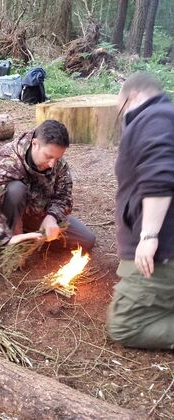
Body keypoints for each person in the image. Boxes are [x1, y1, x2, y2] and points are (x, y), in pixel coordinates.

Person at [106, 73, 174, 350]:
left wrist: (148, 236)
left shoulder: (153, 118)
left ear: (132, 97)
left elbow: (159, 175)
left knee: (125, 325)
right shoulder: (165, 117)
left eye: (120, 108)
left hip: (165, 250)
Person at [0, 119, 95, 250]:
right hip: (11, 215)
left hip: (39, 213)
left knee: (86, 241)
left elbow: (64, 196)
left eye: (57, 158)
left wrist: (52, 216)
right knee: (16, 190)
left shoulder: (57, 163)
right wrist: (5, 238)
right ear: (35, 144)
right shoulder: (9, 160)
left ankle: (33, 234)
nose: (52, 164)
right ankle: (15, 244)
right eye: (48, 156)